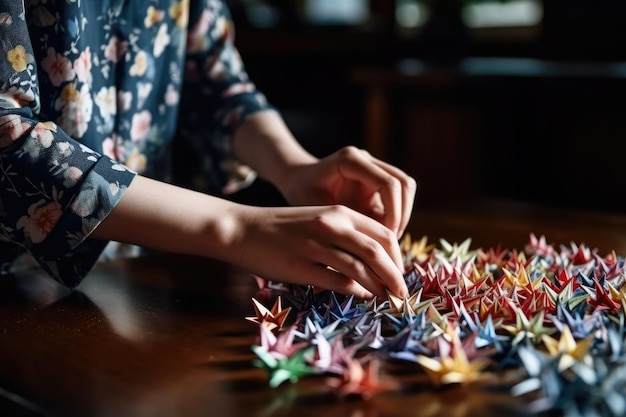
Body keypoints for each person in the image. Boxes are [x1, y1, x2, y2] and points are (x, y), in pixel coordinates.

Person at [0, 0, 416, 301]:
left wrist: (295, 168)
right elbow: (6, 136)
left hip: (129, 279)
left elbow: (212, 77)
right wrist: (238, 229)